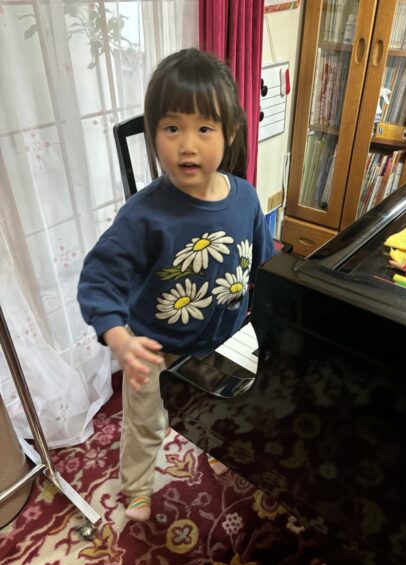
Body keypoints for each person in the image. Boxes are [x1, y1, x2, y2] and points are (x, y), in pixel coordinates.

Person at [77, 48, 275, 521]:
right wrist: (120, 339)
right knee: (144, 421)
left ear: (230, 132)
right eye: (172, 128)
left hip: (225, 333)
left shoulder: (246, 197)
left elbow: (264, 262)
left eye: (204, 128)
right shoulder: (143, 216)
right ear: (153, 135)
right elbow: (97, 281)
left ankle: (227, 446)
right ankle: (136, 485)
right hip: (155, 345)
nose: (187, 145)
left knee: (239, 404)